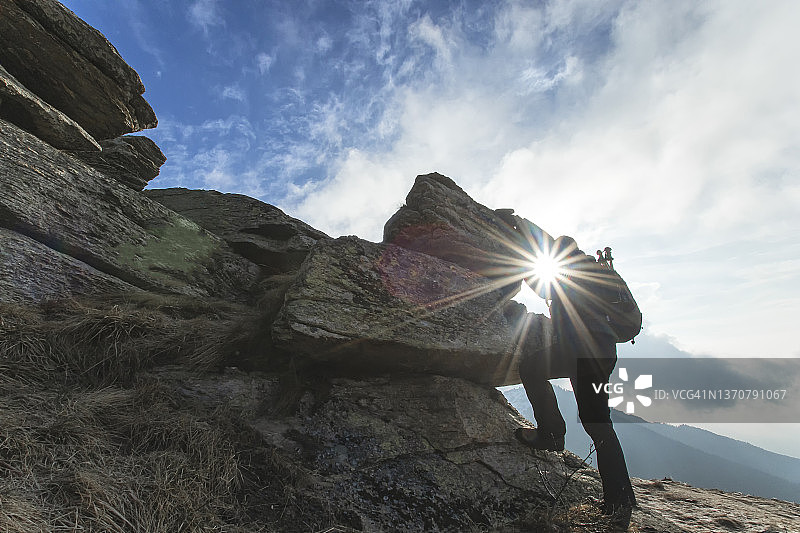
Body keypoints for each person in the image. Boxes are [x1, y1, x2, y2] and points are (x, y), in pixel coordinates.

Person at [500, 216, 636, 515]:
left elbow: (541, 285)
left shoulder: (568, 272)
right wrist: (521, 226)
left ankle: (550, 433)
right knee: (599, 424)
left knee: (531, 368)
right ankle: (621, 498)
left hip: (579, 349)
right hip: (604, 351)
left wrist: (518, 242)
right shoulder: (594, 271)